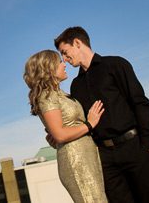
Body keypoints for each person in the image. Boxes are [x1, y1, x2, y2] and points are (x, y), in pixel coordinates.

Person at [54, 26, 149, 203]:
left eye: (65, 53)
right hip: (105, 159)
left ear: (77, 43)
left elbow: (140, 104)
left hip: (135, 148)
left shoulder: (116, 64)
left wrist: (147, 146)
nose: (65, 60)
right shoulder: (76, 85)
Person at [24, 50, 108, 203]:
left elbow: (59, 134)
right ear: (49, 69)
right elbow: (60, 135)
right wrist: (90, 124)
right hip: (76, 160)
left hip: (86, 155)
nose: (64, 64)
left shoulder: (60, 94)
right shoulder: (47, 96)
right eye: (59, 62)